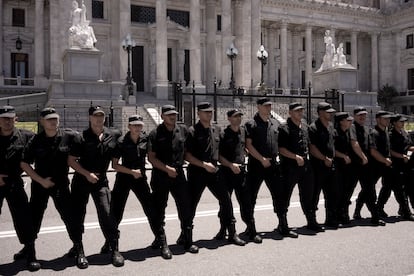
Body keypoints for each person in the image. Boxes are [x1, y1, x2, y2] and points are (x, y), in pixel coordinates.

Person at [20, 108, 79, 265]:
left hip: (61, 184)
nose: (53, 121)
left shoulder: (70, 136)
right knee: (34, 218)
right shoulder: (35, 140)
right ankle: (30, 253)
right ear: (42, 121)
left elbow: (84, 152)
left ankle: (78, 249)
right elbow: (24, 163)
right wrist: (41, 180)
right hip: (41, 184)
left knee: (69, 217)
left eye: (55, 118)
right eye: (49, 119)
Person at [68, 106, 124, 268]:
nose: (99, 119)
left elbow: (123, 146)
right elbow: (71, 161)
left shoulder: (112, 135)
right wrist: (86, 174)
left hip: (101, 181)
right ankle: (79, 250)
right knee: (78, 216)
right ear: (90, 118)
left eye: (102, 116)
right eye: (95, 116)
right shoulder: (81, 137)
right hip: (81, 181)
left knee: (107, 213)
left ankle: (114, 249)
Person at [185, 102, 245, 247]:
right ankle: (186, 237)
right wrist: (203, 165)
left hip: (214, 172)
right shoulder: (192, 131)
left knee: (226, 200)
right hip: (197, 172)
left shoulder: (217, 130)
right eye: (205, 112)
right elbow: (187, 156)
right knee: (191, 205)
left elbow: (222, 151)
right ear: (198, 113)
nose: (209, 114)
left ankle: (232, 233)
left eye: (210, 112)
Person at [105, 115, 161, 256]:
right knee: (117, 211)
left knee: (150, 208)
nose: (137, 128)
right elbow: (115, 165)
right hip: (124, 178)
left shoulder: (145, 139)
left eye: (139, 125)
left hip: (139, 179)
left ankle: (160, 238)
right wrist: (131, 172)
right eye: (134, 125)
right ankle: (111, 242)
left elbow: (152, 155)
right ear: (129, 126)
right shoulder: (121, 141)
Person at [147, 105, 197, 256]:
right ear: (162, 116)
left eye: (174, 114)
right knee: (159, 209)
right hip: (161, 174)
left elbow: (187, 153)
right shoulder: (155, 133)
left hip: (178, 174)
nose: (172, 117)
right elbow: (151, 158)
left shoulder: (183, 130)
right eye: (169, 115)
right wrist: (167, 169)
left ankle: (188, 240)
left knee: (185, 208)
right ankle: (162, 242)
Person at [0, 106, 40, 272]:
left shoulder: (26, 136)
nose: (7, 121)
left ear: (15, 119)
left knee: (23, 218)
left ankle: (31, 255)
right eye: (4, 118)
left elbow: (43, 150)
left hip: (15, 182)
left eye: (10, 118)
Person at [277, 102, 320, 236]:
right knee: (285, 196)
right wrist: (295, 157)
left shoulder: (305, 127)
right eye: (297, 111)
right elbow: (281, 149)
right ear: (290, 113)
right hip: (289, 167)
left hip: (305, 166)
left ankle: (311, 220)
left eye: (301, 111)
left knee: (308, 194)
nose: (300, 113)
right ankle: (283, 224)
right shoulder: (284, 128)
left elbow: (310, 145)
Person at [244, 97, 280, 241]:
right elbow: (248, 145)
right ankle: (251, 228)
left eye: (270, 105)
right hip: (257, 165)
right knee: (251, 197)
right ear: (258, 107)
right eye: (265, 106)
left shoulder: (275, 123)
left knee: (278, 195)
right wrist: (261, 159)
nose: (268, 108)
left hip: (272, 165)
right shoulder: (251, 124)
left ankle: (282, 223)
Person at [215, 109, 252, 244]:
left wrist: (245, 153)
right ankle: (225, 229)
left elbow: (244, 147)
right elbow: (219, 156)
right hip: (227, 172)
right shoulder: (223, 134)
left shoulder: (243, 131)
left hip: (241, 172)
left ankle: (250, 228)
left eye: (239, 116)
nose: (238, 118)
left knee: (245, 201)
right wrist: (231, 165)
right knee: (225, 204)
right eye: (235, 116)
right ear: (229, 118)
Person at [374, 112, 414, 220]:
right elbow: (390, 150)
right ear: (395, 123)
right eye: (401, 121)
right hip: (394, 165)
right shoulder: (390, 135)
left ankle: (401, 209)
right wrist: (402, 156)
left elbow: (408, 146)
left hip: (406, 165)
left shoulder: (405, 133)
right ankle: (404, 211)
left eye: (404, 121)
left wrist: (411, 149)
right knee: (393, 188)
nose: (403, 123)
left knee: (403, 188)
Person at [350, 107, 385, 226]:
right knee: (347, 192)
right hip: (354, 165)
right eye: (360, 115)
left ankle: (374, 216)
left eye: (364, 115)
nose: (362, 117)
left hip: (366, 166)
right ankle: (343, 214)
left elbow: (371, 147)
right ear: (354, 116)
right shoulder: (352, 127)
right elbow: (354, 143)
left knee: (369, 190)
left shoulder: (367, 129)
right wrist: (363, 157)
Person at [308, 102, 338, 229]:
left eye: (331, 112)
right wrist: (324, 158)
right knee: (315, 194)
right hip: (318, 166)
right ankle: (312, 221)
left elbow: (333, 144)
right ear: (320, 112)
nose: (330, 114)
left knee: (331, 194)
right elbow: (312, 148)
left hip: (330, 165)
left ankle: (330, 218)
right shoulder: (313, 127)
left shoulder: (331, 126)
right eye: (327, 112)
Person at [333, 112, 354, 224]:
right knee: (339, 191)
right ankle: (337, 215)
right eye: (347, 120)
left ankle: (344, 213)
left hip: (348, 167)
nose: (350, 122)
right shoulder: (335, 133)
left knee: (347, 191)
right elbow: (332, 150)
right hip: (338, 166)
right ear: (341, 121)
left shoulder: (349, 133)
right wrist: (343, 156)